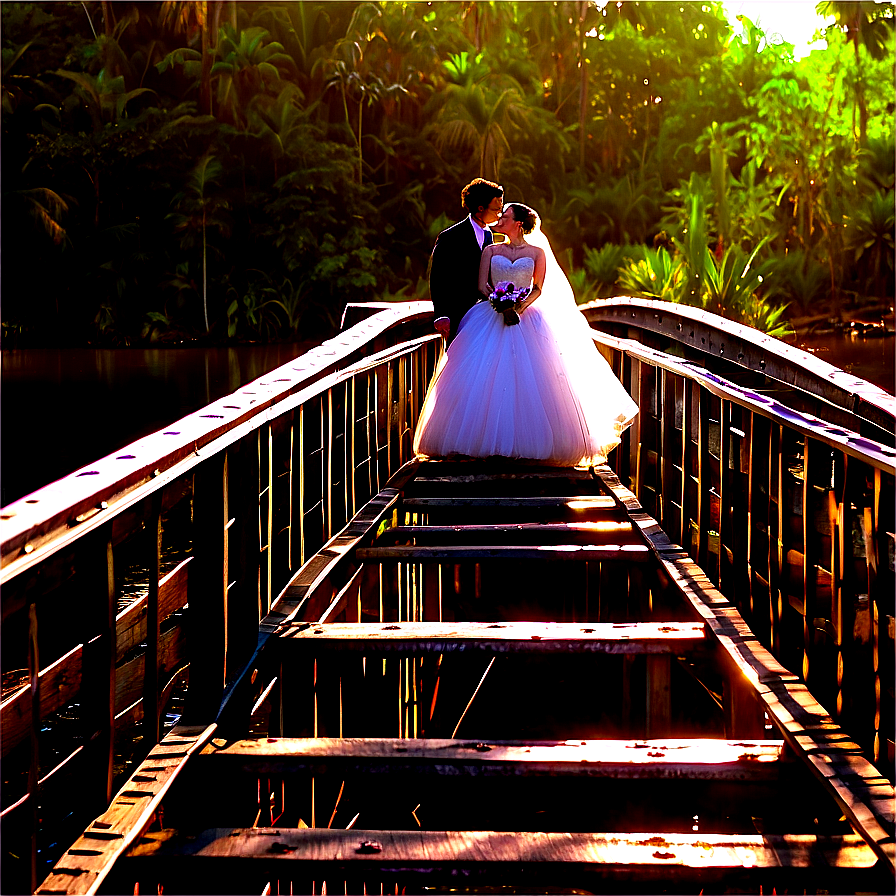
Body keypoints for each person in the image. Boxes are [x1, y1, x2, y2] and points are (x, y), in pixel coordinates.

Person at [414, 203, 638, 466]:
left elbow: (538, 288)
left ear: (518, 224)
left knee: (532, 377)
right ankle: (479, 441)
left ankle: (530, 443)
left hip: (527, 315)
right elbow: (481, 285)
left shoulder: (537, 253)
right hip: (491, 313)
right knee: (484, 374)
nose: (499, 219)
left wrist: (518, 307)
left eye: (505, 217)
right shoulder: (490, 249)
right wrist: (499, 302)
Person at [430, 178, 504, 343]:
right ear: (480, 208)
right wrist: (441, 314)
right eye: (496, 210)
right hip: (457, 314)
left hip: (483, 315)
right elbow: (438, 278)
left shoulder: (489, 235)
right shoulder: (450, 237)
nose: (499, 215)